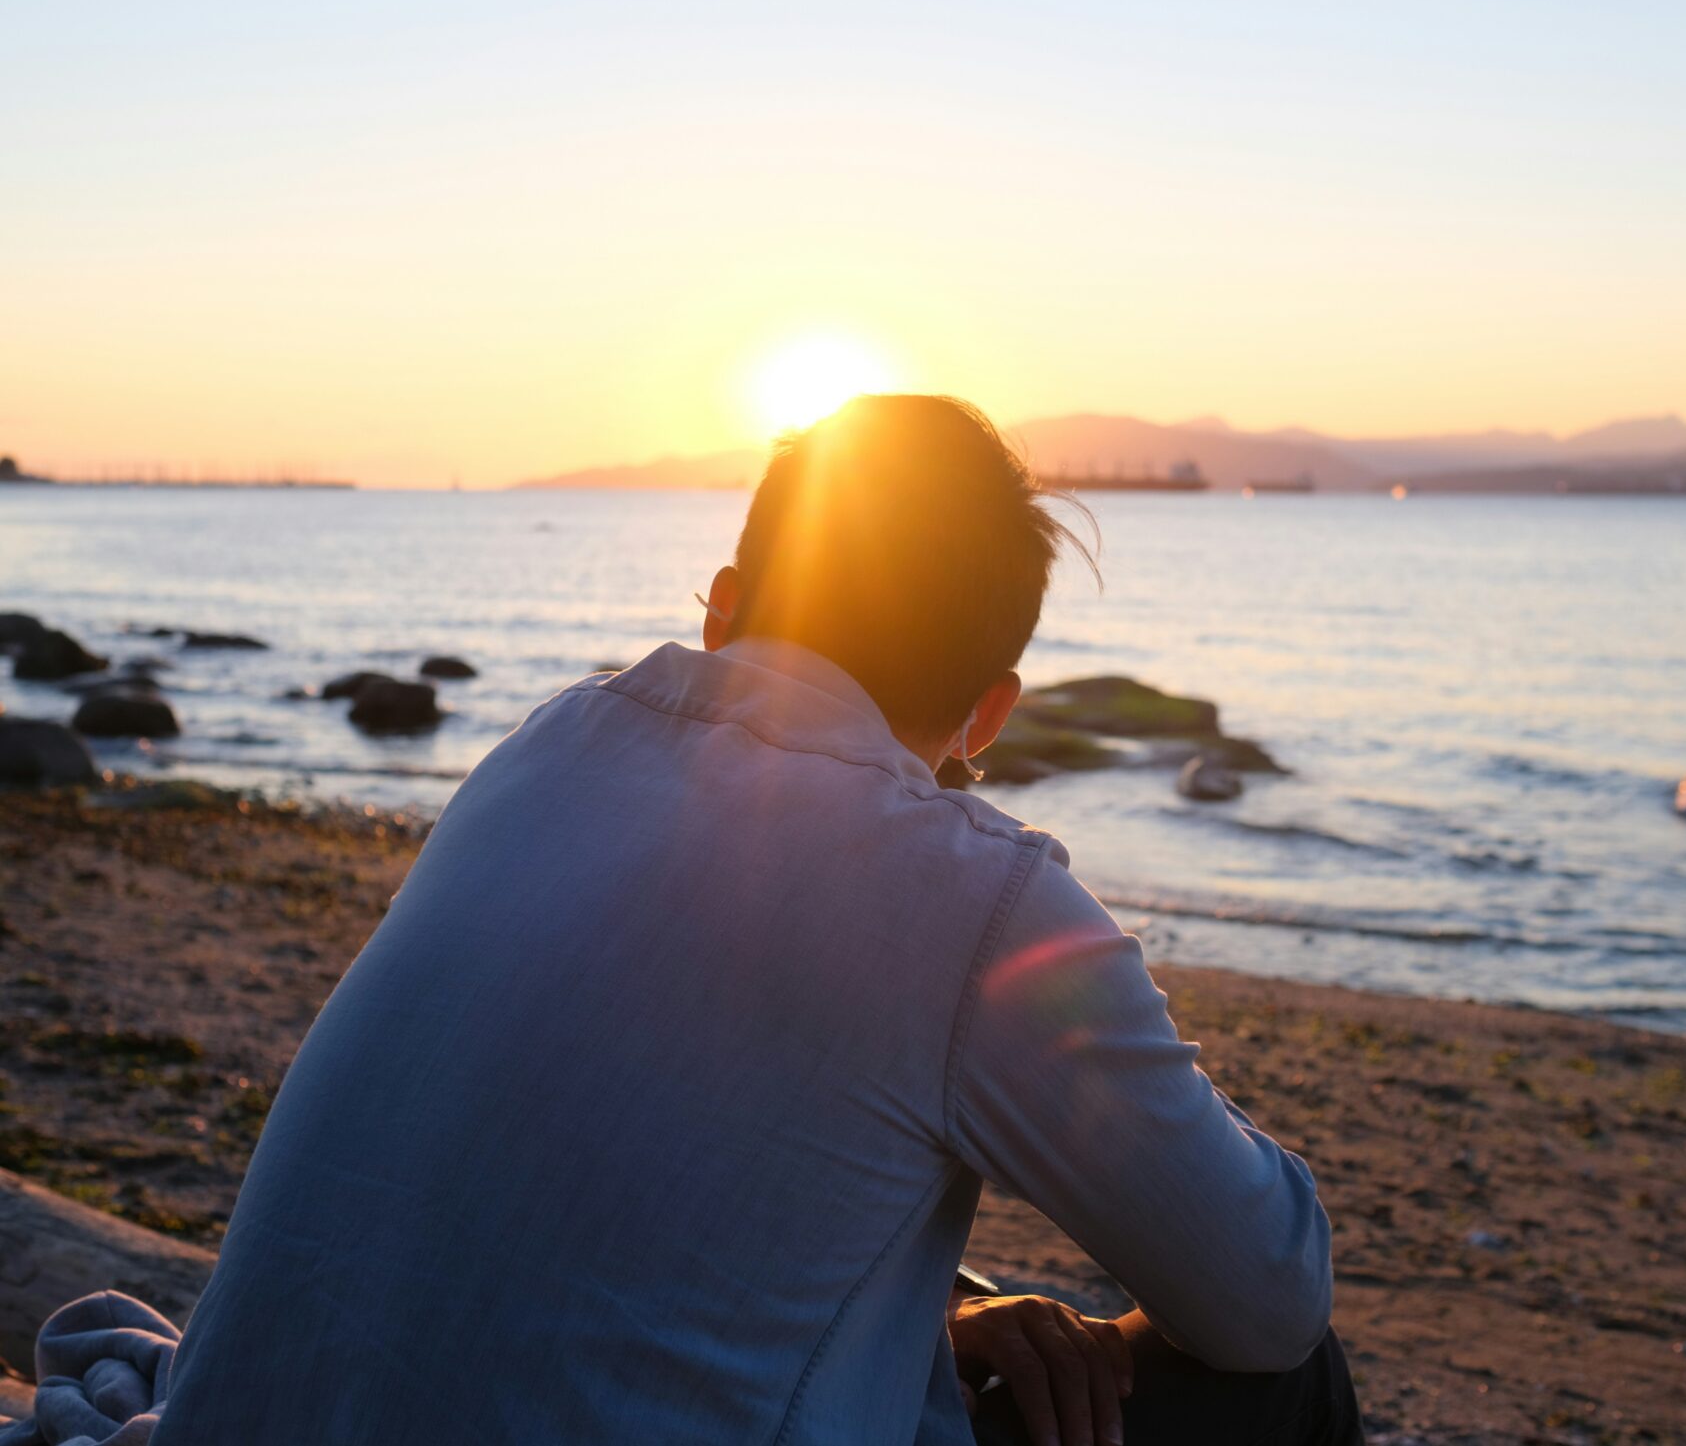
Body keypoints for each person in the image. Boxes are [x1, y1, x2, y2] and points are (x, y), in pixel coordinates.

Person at [155, 396, 1360, 1445]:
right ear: (988, 717)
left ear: (725, 607)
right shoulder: (979, 902)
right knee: (1292, 1385)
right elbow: (1267, 1295)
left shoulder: (545, 746)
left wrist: (945, 1314)